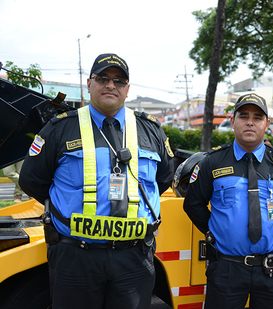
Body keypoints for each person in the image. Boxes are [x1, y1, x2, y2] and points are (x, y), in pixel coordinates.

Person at [19, 53, 174, 309]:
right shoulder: (59, 128)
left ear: (127, 89)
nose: (111, 85)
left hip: (133, 258)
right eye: (103, 78)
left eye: (119, 81)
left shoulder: (151, 130)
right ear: (90, 84)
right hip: (76, 256)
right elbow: (32, 180)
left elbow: (162, 180)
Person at [183, 93, 273, 309]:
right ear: (232, 121)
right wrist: (215, 232)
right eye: (243, 116)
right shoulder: (212, 162)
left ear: (266, 124)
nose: (250, 122)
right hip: (227, 270)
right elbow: (193, 204)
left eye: (258, 117)